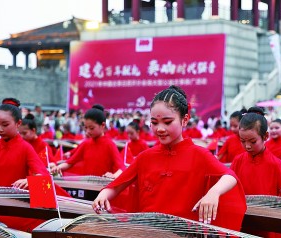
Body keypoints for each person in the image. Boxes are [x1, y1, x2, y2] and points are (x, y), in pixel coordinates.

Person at [92, 85, 246, 231]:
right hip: (149, 231)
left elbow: (230, 176)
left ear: (184, 120)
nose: (160, 128)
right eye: (154, 122)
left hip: (182, 232)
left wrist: (214, 193)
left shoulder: (199, 154)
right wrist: (104, 194)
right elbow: (119, 184)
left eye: (167, 122)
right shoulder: (145, 157)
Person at [0, 98, 50, 231]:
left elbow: (42, 174)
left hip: (14, 210)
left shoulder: (25, 148)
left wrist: (29, 181)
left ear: (18, 123)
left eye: (5, 124)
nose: (0, 129)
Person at [230, 107, 281, 197]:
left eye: (253, 141)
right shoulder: (238, 161)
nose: (247, 146)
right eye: (242, 141)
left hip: (266, 210)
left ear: (266, 136)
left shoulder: (274, 163)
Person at [51, 105, 126, 178]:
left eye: (91, 128)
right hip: (87, 187)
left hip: (104, 187)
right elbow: (70, 162)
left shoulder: (109, 144)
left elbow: (122, 168)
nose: (88, 131)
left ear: (103, 125)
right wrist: (58, 168)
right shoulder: (86, 143)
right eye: (86, 128)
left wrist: (113, 176)